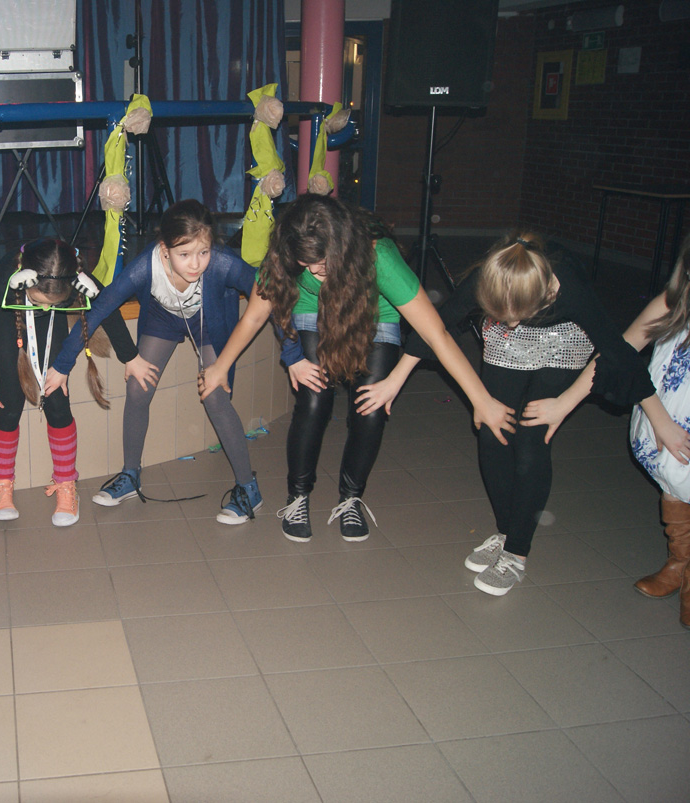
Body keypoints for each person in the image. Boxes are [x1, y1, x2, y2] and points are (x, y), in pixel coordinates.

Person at [200, 193, 514, 544]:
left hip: (372, 313)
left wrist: (480, 400)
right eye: (306, 265)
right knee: (313, 399)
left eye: (323, 263)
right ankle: (297, 497)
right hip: (311, 310)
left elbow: (435, 333)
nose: (315, 273)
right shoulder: (288, 258)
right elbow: (255, 316)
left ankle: (350, 498)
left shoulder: (378, 257)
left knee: (371, 409)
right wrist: (221, 367)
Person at [383, 232, 658, 596]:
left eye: (517, 317)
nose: (513, 323)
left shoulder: (568, 289)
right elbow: (435, 325)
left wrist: (658, 422)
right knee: (492, 432)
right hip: (507, 346)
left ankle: (516, 552)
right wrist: (395, 379)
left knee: (530, 443)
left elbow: (619, 353)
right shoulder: (486, 282)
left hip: (562, 339)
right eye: (503, 315)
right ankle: (505, 531)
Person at [44, 199, 263, 525]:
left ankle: (248, 488)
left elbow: (269, 293)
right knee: (137, 387)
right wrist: (63, 364)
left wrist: (294, 355)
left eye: (203, 252)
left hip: (209, 322)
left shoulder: (222, 263)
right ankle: (130, 474)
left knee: (215, 395)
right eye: (184, 254)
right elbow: (101, 307)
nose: (195, 264)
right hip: (163, 318)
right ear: (165, 249)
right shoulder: (146, 266)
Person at [521, 235, 690, 624]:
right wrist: (564, 403)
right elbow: (617, 350)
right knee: (674, 479)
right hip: (665, 419)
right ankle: (680, 561)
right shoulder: (674, 301)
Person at [0, 238, 144, 526]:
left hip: (52, 325)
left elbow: (107, 307)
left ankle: (66, 484)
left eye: (54, 303)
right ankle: (1, 486)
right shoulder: (3, 282)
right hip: (10, 316)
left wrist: (130, 356)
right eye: (39, 301)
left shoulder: (71, 273)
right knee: (10, 401)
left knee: (57, 401)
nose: (45, 307)